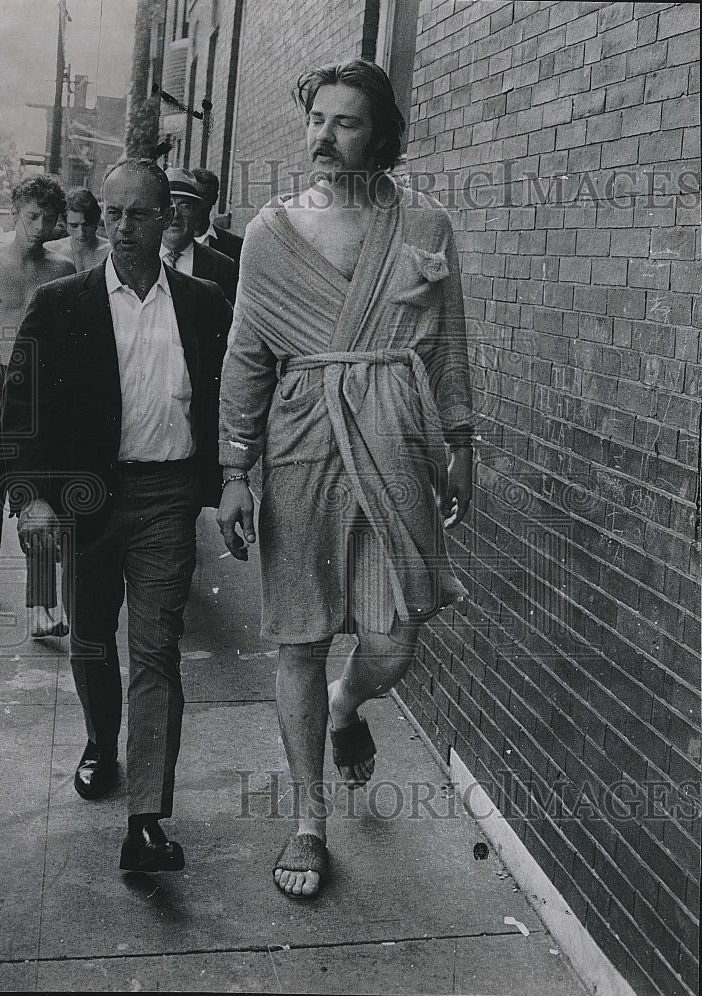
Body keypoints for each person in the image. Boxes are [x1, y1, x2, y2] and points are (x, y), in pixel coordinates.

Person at [217, 60, 474, 898]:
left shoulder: (424, 224)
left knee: (394, 641)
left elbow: (449, 341)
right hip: (300, 438)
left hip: (397, 439)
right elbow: (246, 357)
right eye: (316, 119)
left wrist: (461, 438)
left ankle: (344, 707)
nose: (323, 138)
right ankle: (307, 822)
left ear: (382, 135)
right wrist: (233, 469)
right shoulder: (270, 232)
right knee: (299, 633)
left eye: (346, 123)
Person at [3, 158, 231, 871]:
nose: (123, 227)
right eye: (113, 213)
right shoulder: (62, 303)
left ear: (168, 219)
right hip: (85, 499)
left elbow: (230, 402)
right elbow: (18, 410)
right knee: (93, 638)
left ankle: (145, 823)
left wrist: (232, 481)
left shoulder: (202, 303)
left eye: (139, 214)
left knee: (157, 650)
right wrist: (29, 498)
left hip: (167, 497)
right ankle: (102, 742)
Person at [0, 174, 74, 621]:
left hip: (40, 390)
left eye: (49, 218)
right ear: (14, 214)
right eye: (32, 217)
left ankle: (43, 604)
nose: (41, 226)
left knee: (37, 492)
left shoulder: (61, 270)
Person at [161, 168, 237, 304]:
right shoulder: (136, 260)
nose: (175, 214)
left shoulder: (224, 267)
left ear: (197, 211)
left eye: (184, 206)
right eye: (168, 205)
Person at [45, 187, 110, 271]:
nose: (81, 232)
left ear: (96, 222)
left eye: (86, 225)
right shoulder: (51, 249)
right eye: (74, 226)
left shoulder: (110, 251)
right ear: (65, 224)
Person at [191, 168, 244, 273]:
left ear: (214, 199)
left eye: (204, 197)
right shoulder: (166, 242)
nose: (199, 205)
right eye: (194, 197)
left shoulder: (235, 246)